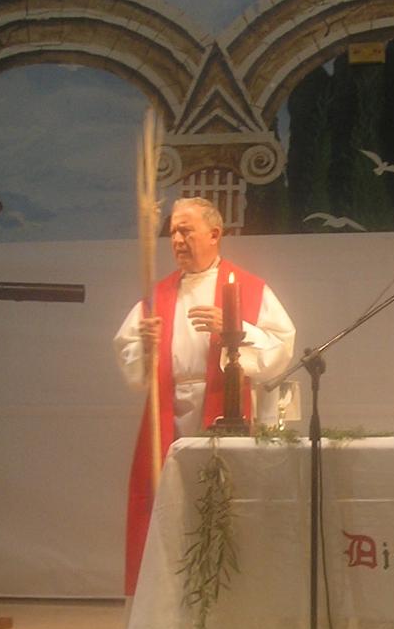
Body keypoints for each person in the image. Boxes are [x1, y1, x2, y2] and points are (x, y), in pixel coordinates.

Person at [114, 197, 295, 593]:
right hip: (170, 414)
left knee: (223, 507)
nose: (176, 239)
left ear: (215, 234)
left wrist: (234, 326)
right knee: (171, 512)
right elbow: (129, 359)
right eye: (173, 231)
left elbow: (282, 346)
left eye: (186, 230)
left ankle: (226, 605)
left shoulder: (248, 288)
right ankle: (169, 607)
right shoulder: (156, 295)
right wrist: (145, 345)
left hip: (222, 408)